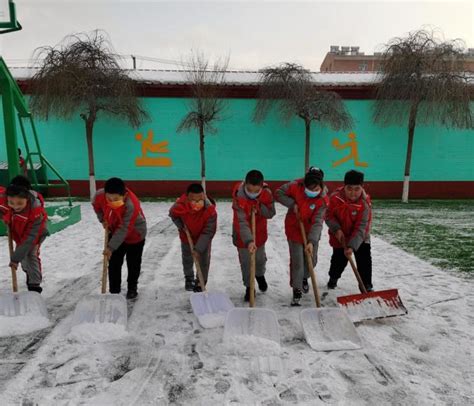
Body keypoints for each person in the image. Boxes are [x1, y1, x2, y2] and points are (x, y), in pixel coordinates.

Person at [275, 167, 329, 305]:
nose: (312, 191)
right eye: (309, 188)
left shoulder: (323, 199)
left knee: (312, 261)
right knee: (297, 262)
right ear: (304, 183)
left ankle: (304, 277)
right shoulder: (294, 186)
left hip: (311, 232)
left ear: (321, 185)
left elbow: (318, 222)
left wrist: (311, 241)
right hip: (294, 228)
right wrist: (293, 204)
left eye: (315, 189)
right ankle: (296, 288)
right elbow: (278, 193)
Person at [92, 177, 147, 299]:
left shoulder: (131, 205)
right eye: (109, 199)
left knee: (133, 263)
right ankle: (114, 292)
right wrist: (102, 219)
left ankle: (132, 288)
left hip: (135, 233)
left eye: (116, 199)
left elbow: (124, 229)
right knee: (114, 263)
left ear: (124, 195)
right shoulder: (99, 195)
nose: (111, 201)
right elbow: (96, 205)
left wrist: (110, 247)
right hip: (115, 229)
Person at [325, 169, 373, 292]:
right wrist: (336, 229)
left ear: (362, 187)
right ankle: (333, 278)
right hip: (340, 235)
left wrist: (352, 246)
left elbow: (362, 227)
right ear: (344, 187)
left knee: (364, 259)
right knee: (338, 260)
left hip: (360, 236)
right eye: (349, 189)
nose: (353, 193)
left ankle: (366, 285)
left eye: (357, 189)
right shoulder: (335, 198)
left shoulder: (364, 203)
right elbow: (328, 216)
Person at [232, 170, 275, 301]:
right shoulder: (238, 195)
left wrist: (260, 207)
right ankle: (249, 287)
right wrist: (249, 241)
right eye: (249, 190)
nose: (252, 193)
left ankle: (260, 275)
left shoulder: (267, 194)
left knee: (259, 260)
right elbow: (241, 222)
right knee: (246, 262)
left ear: (262, 187)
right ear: (245, 184)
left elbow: (271, 213)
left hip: (259, 232)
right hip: (242, 234)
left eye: (256, 191)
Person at [0, 175, 48, 293]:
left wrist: (15, 259)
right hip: (18, 231)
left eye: (20, 203)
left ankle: (34, 285)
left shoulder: (36, 212)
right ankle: (27, 270)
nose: (15, 206)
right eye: (11, 202)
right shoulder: (4, 197)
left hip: (35, 234)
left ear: (27, 197)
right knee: (24, 260)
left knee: (30, 255)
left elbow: (29, 239)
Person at [169, 183, 217, 292]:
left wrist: (198, 248)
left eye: (200, 200)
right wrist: (181, 226)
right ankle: (189, 278)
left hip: (203, 238)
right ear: (187, 198)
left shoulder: (210, 210)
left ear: (204, 196)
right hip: (187, 236)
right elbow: (173, 214)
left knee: (203, 260)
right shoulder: (180, 205)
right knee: (187, 258)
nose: (197, 203)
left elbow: (209, 231)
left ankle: (201, 282)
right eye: (193, 201)